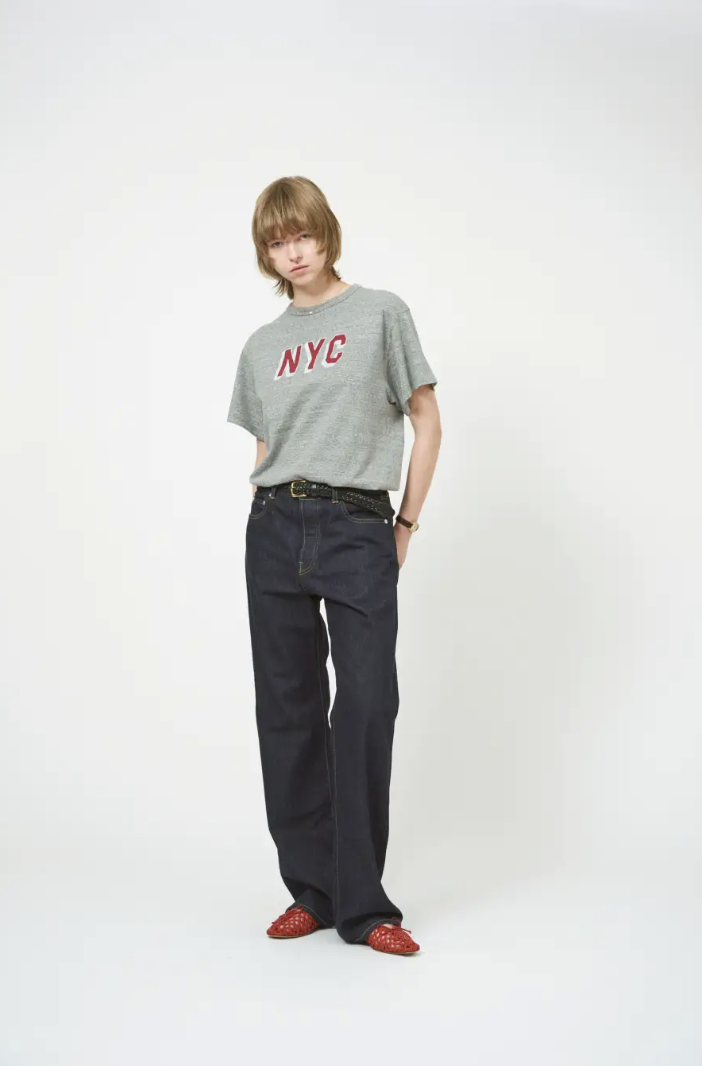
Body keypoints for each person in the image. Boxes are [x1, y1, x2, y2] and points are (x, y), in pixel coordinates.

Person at [226, 176, 441, 956]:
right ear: (266, 253)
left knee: (367, 704)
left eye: (303, 234)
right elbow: (265, 450)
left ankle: (365, 903)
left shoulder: (381, 313)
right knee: (286, 711)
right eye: (277, 241)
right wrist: (268, 517)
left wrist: (405, 523)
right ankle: (312, 891)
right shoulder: (261, 347)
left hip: (356, 526)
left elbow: (427, 419)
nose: (293, 251)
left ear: (326, 234)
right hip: (274, 526)